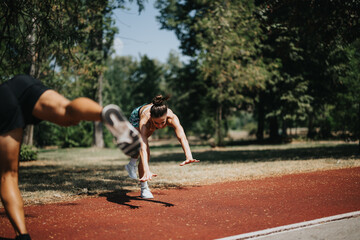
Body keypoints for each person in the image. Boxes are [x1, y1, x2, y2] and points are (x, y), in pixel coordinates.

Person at [0, 74, 141, 240]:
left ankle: (22, 236)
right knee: (67, 111)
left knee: (8, 175)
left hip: (2, 102)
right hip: (21, 83)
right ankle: (103, 114)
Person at [125, 95, 199, 199]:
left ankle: (131, 164)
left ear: (166, 117)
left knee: (145, 138)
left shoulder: (171, 117)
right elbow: (143, 146)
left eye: (162, 122)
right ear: (151, 117)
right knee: (143, 147)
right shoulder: (145, 120)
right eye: (156, 123)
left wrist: (189, 156)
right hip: (137, 116)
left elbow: (182, 136)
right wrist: (146, 169)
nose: (159, 126)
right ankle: (144, 187)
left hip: (150, 118)